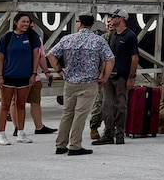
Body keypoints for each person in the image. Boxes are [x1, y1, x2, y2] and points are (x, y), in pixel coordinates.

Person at [46, 14, 114, 156]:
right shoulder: (98, 41)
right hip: (89, 82)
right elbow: (110, 59)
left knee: (67, 113)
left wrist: (60, 71)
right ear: (92, 25)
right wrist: (104, 77)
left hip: (70, 82)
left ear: (79, 24)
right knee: (80, 115)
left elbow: (51, 55)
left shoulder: (68, 39)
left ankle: (60, 144)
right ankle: (75, 145)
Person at [0, 11, 43, 146]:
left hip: (25, 77)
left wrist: (34, 74)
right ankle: (1, 134)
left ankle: (21, 132)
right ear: (16, 22)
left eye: (28, 22)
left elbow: (36, 57)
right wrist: (0, 77)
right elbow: (0, 58)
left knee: (21, 105)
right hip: (8, 76)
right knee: (5, 105)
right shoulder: (7, 37)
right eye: (23, 22)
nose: (26, 24)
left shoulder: (33, 38)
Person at [98, 9, 139, 145]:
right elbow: (107, 58)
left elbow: (134, 58)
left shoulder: (130, 36)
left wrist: (131, 77)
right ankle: (108, 133)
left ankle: (120, 133)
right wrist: (103, 74)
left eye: (114, 17)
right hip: (110, 76)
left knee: (121, 105)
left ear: (121, 19)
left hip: (122, 75)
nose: (111, 19)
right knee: (106, 105)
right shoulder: (113, 36)